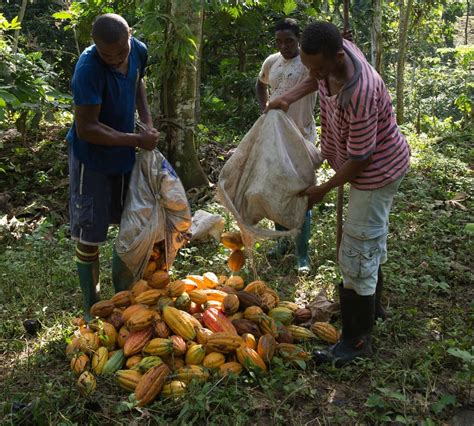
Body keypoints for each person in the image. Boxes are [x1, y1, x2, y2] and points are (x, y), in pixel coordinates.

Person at [266, 21, 410, 366]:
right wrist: (285, 98)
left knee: (356, 250)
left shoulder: (358, 92)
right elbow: (314, 79)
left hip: (375, 174)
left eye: (318, 67)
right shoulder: (331, 53)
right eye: (309, 65)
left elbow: (360, 160)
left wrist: (323, 190)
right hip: (359, 161)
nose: (313, 73)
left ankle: (356, 340)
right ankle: (374, 309)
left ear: (339, 56)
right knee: (368, 241)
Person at [66, 13, 160, 321]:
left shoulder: (139, 51)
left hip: (124, 155)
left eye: (121, 51)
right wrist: (135, 139)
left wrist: (146, 122)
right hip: (91, 160)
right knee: (90, 232)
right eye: (107, 54)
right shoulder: (87, 70)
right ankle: (91, 304)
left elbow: (137, 84)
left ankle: (128, 292)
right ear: (95, 47)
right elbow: (87, 129)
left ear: (129, 36)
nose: (116, 58)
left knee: (129, 221)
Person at [256, 18, 317, 273]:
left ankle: (302, 254)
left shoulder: (309, 62)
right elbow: (260, 84)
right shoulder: (272, 61)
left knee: (301, 194)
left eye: (289, 41)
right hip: (274, 137)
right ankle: (282, 243)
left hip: (301, 137)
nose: (284, 46)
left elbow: (320, 80)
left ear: (299, 39)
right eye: (279, 41)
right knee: (277, 192)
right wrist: (264, 110)